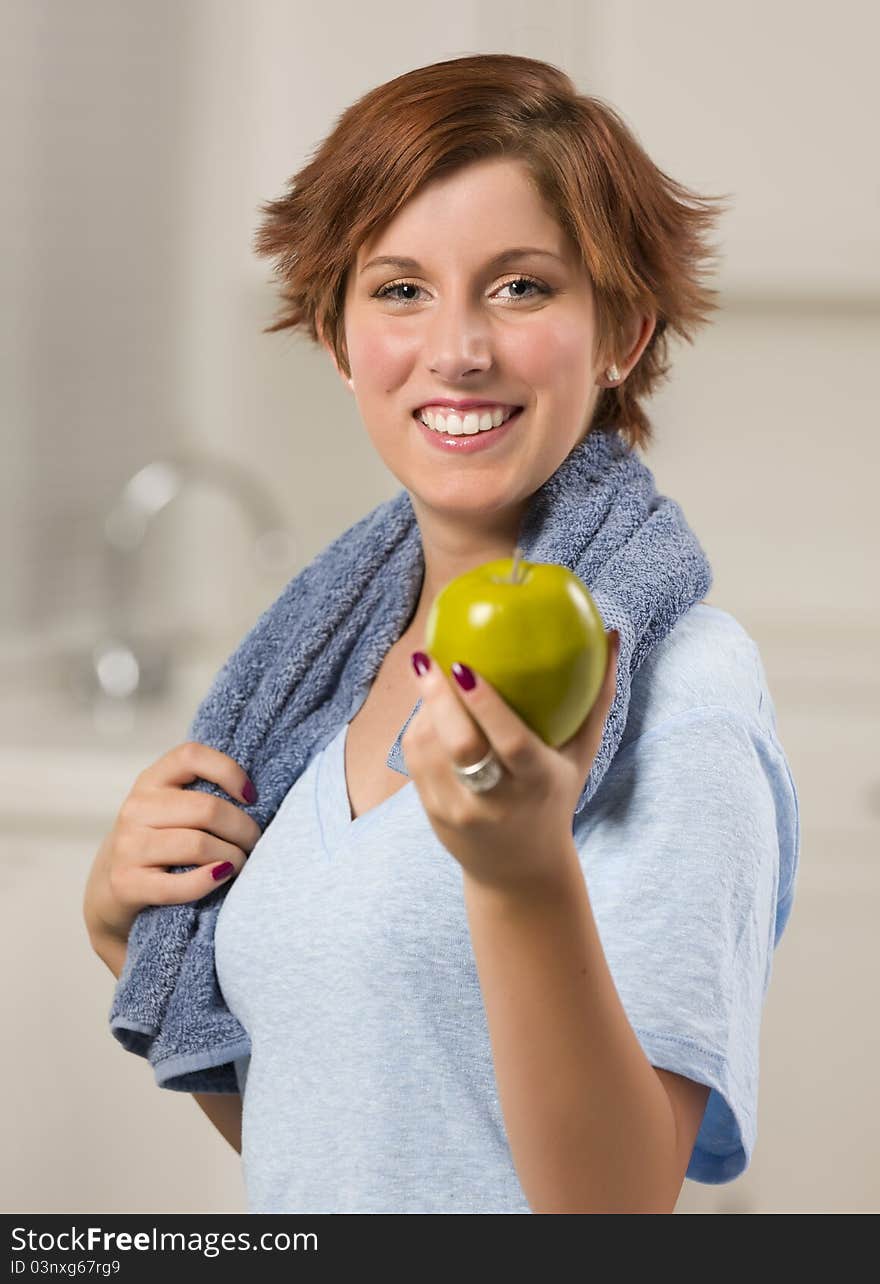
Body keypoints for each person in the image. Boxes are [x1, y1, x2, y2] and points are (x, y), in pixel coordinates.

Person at [83, 53, 799, 1214]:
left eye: (522, 287)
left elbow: (617, 1212)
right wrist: (128, 933)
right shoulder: (311, 686)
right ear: (337, 335)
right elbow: (347, 1138)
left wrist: (522, 875)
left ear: (621, 331)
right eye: (400, 289)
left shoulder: (682, 685)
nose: (457, 348)